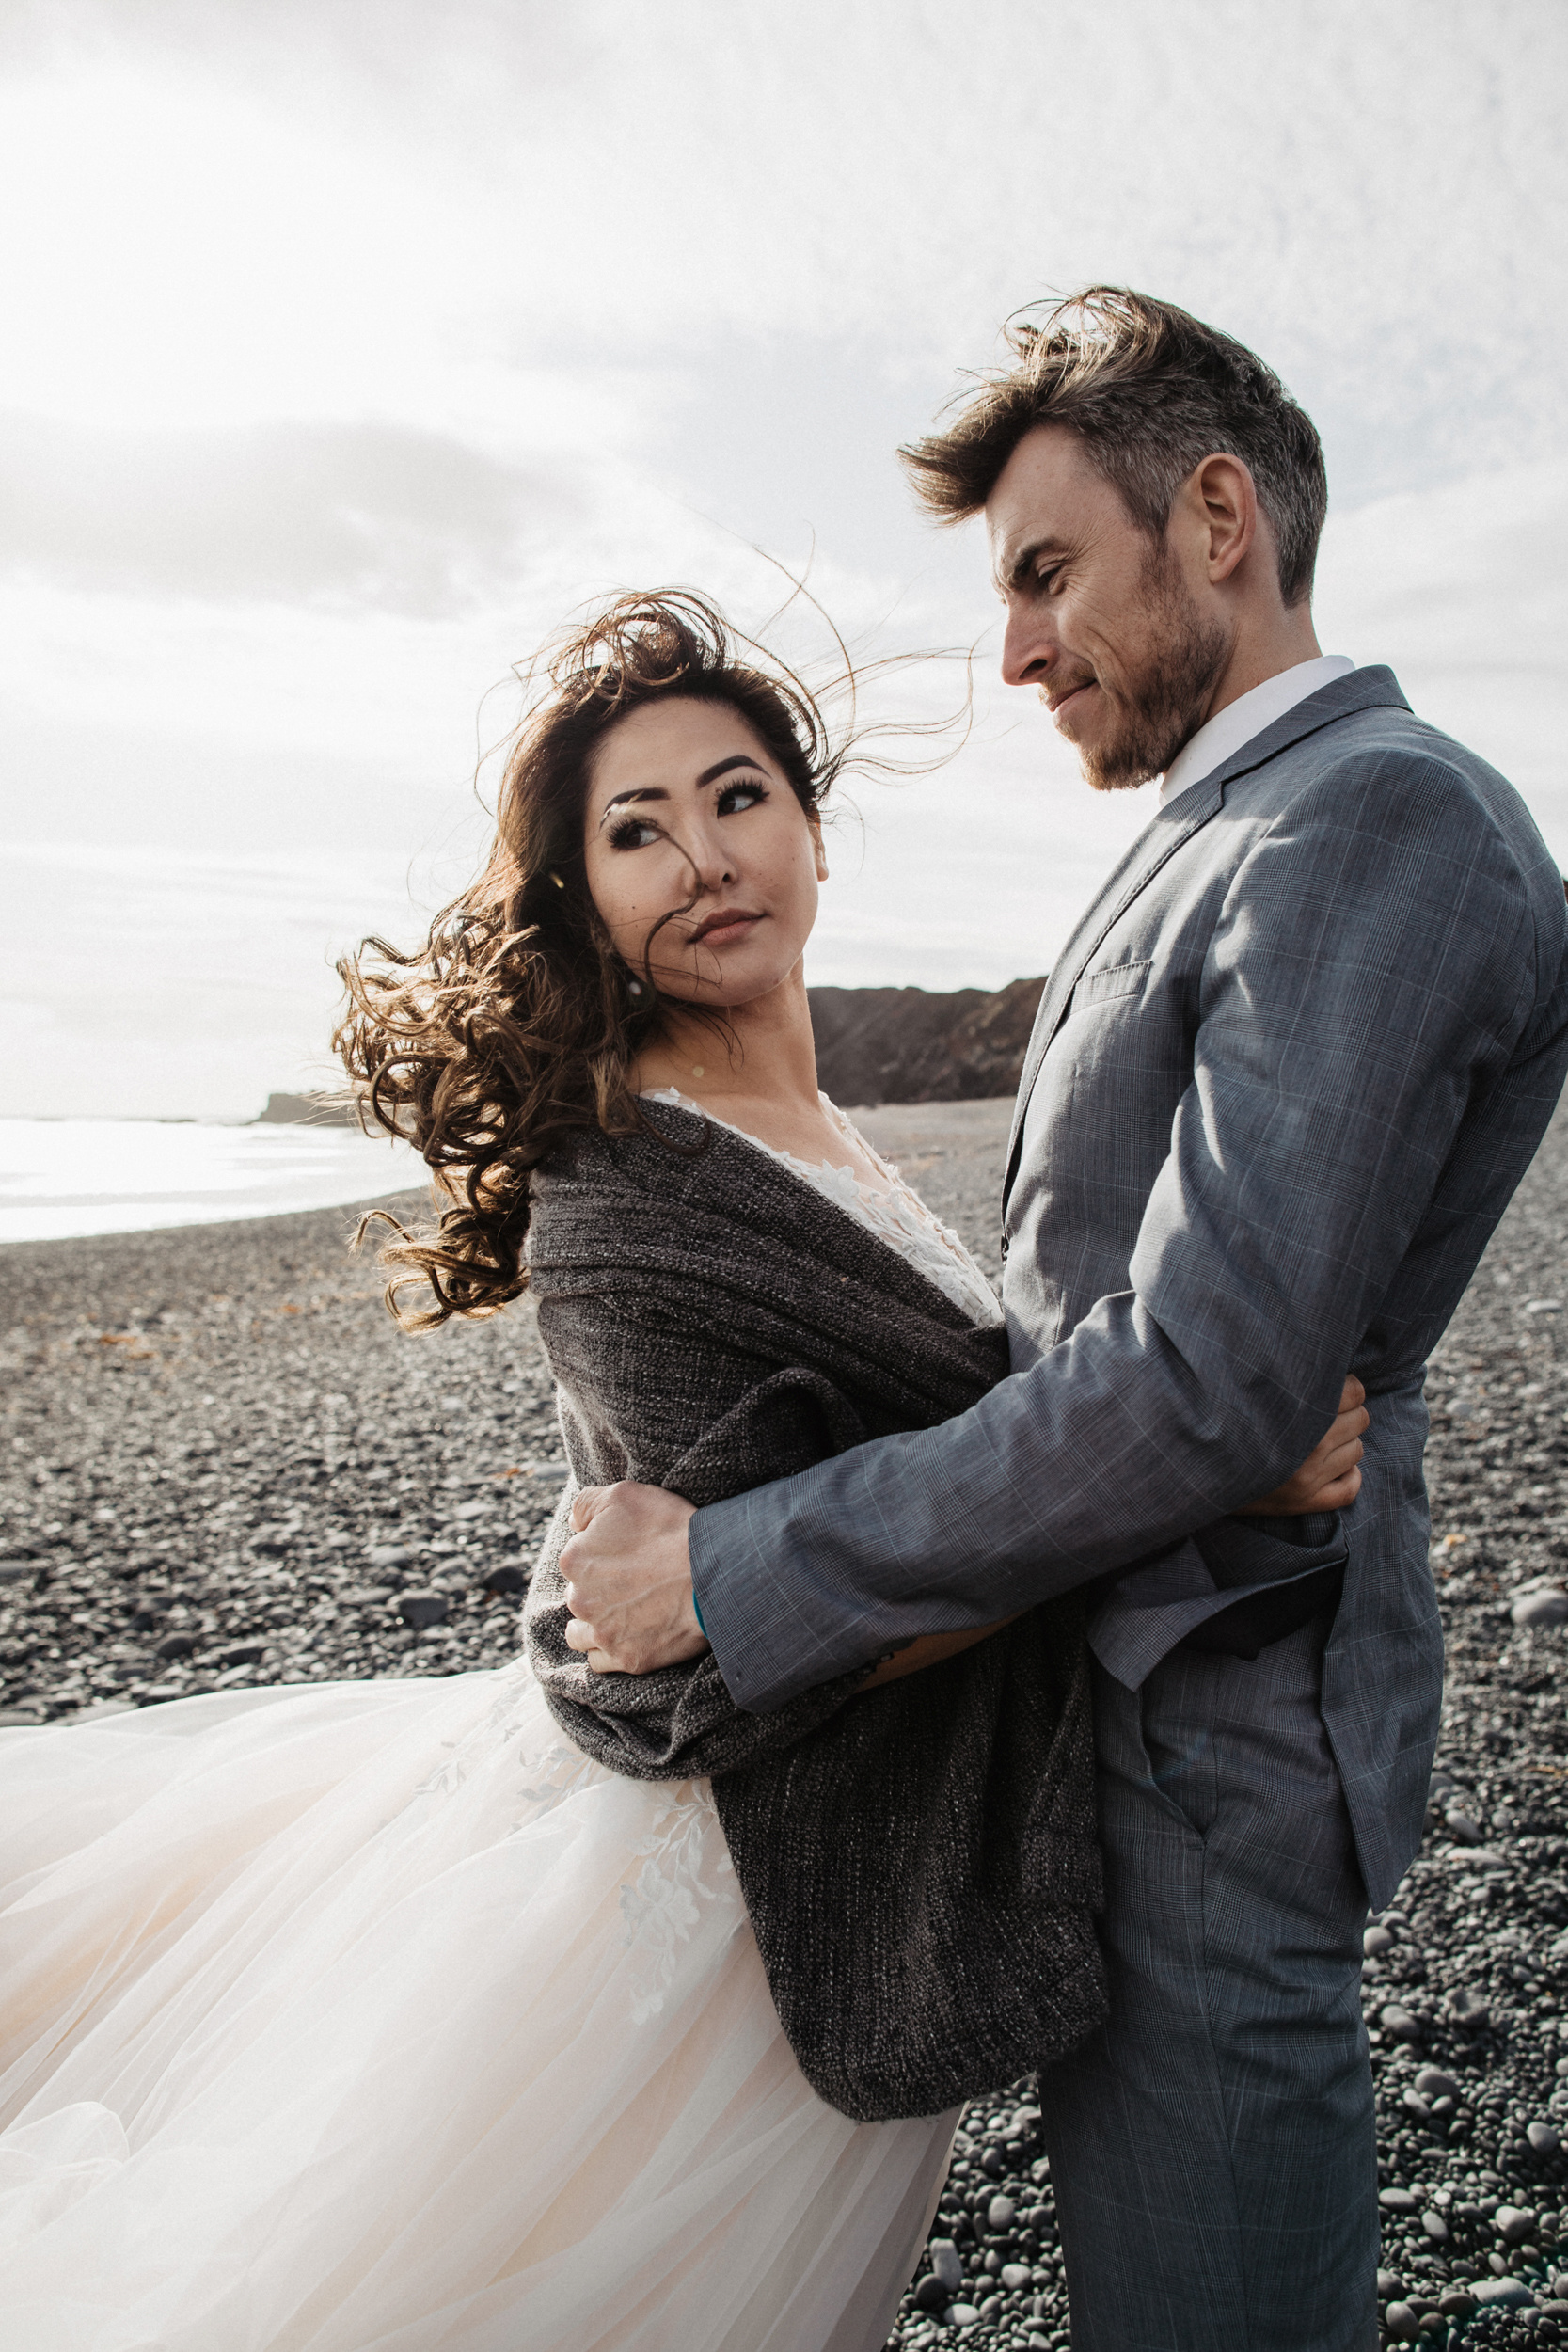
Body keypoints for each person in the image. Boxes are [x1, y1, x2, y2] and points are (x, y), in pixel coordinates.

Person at [0, 590, 1358, 2350]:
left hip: (853, 1851)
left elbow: (938, 1461)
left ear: (808, 826)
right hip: (707, 1930)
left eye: (735, 799)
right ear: (582, 897)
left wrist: (1175, 1415)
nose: (703, 859)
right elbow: (738, 1648)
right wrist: (1196, 1463)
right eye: (635, 832)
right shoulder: (618, 1212)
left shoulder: (825, 1128)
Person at [556, 293, 1568, 2351]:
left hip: (1211, 1731)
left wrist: (738, 1565)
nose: (1015, 649)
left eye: (1042, 575)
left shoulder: (1373, 821)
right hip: (1117, 1695)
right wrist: (1219, 1402)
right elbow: (1141, 1339)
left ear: (1216, 519)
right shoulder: (1215, 822)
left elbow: (1201, 1368)